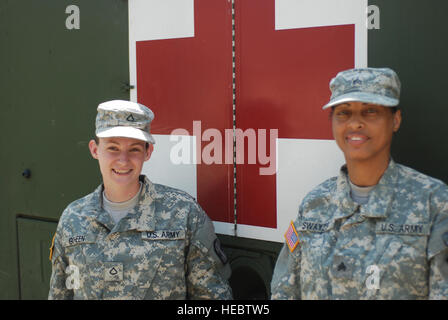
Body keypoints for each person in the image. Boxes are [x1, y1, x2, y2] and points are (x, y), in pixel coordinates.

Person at [271, 67, 448, 299]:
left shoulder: (434, 203)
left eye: (370, 111)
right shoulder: (315, 204)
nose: (355, 123)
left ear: (396, 120)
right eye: (344, 113)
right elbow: (283, 291)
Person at [48, 100, 233, 300]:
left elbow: (213, 296)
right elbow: (60, 294)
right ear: (95, 150)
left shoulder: (183, 213)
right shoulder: (73, 218)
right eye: (113, 148)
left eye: (134, 149)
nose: (123, 160)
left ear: (148, 152)